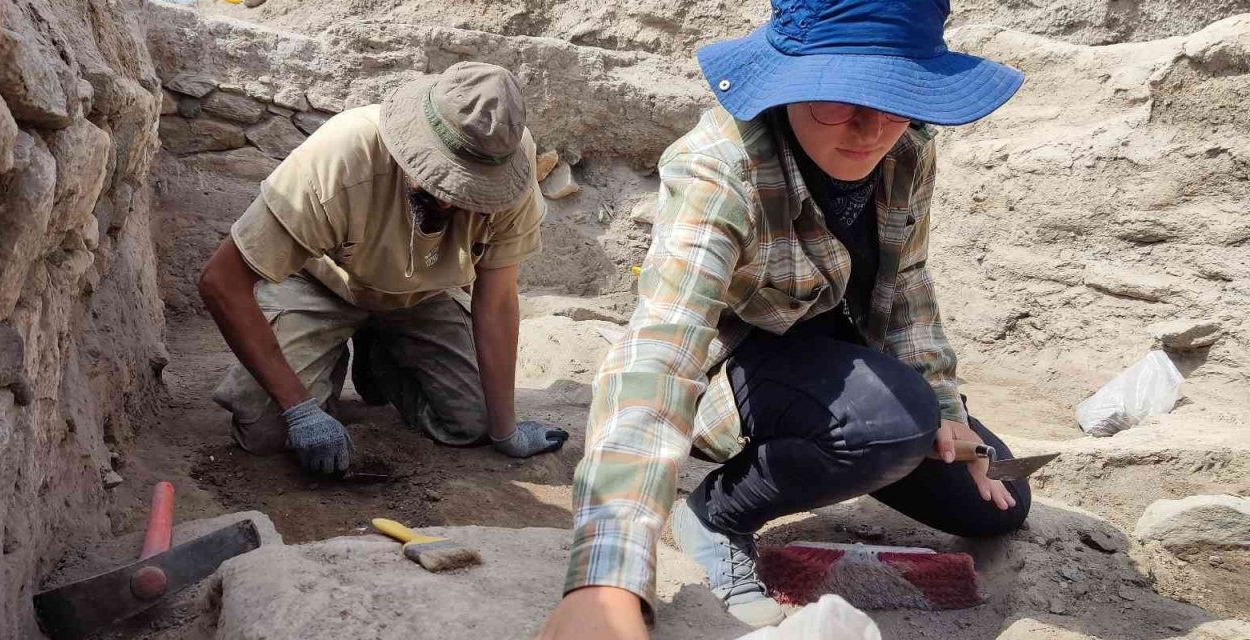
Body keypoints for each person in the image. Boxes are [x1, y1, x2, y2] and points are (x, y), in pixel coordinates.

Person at [541, 0, 1030, 636]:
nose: (870, 129)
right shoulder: (719, 168)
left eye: (895, 98)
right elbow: (661, 347)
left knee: (997, 503)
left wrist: (945, 405)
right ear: (789, 82)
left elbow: (907, 283)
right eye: (841, 101)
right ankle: (717, 514)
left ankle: (873, 435)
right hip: (742, 365)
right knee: (889, 423)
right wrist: (606, 579)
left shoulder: (908, 149)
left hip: (842, 359)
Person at [199, 62, 569, 475]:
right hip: (321, 286)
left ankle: (381, 356)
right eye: (440, 180)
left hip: (421, 294)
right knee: (268, 432)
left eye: (470, 191)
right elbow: (221, 282)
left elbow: (497, 300)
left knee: (474, 424)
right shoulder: (342, 155)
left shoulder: (509, 163)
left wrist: (505, 431)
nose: (448, 201)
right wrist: (300, 409)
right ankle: (325, 353)